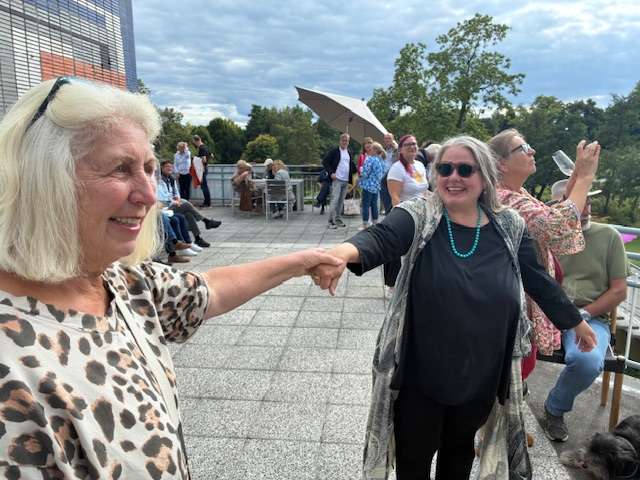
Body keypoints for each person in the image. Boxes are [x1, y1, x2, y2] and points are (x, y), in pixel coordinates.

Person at [0, 77, 343, 479]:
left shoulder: (122, 282)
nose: (150, 195)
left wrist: (301, 261)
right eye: (120, 169)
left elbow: (208, 291)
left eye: (148, 168)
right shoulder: (11, 360)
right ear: (43, 178)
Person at [310, 135, 597, 480]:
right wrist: (343, 253)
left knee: (459, 456)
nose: (453, 177)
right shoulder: (421, 214)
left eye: (465, 169)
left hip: (481, 377)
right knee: (413, 462)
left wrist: (574, 322)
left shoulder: (509, 225)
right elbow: (382, 237)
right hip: (421, 378)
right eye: (445, 169)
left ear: (485, 177)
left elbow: (538, 279)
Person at [489, 130, 600, 368]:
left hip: (520, 308)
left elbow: (552, 215)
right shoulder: (503, 199)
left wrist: (576, 176)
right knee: (512, 372)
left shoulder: (518, 194)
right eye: (523, 148)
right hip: (510, 312)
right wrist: (584, 179)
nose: (532, 150)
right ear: (501, 164)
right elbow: (555, 226)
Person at [542, 180, 629, 442]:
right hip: (545, 313)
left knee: (587, 361)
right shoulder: (545, 236)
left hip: (588, 316)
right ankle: (507, 402)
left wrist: (584, 314)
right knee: (500, 342)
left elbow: (619, 291)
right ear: (558, 207)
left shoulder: (609, 237)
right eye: (580, 200)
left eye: (588, 200)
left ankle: (555, 407)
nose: (587, 207)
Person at [384, 134, 430, 288]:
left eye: (414, 144)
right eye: (408, 144)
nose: (412, 146)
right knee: (398, 250)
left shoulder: (420, 165)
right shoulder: (396, 169)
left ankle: (415, 281)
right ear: (401, 150)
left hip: (423, 212)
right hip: (405, 213)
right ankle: (393, 284)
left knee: (418, 250)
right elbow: (395, 197)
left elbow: (424, 190)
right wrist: (400, 219)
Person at [158, 160, 221, 248]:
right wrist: (174, 201)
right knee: (186, 204)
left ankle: (197, 238)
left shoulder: (171, 179)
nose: (169, 168)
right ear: (162, 168)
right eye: (167, 166)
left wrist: (178, 199)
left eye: (171, 167)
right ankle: (206, 221)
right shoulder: (159, 180)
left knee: (188, 214)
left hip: (173, 204)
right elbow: (162, 197)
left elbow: (176, 192)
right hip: (165, 206)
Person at [322, 132, 356, 229]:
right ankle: (330, 222)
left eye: (347, 141)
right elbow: (325, 162)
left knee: (341, 202)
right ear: (340, 141)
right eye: (343, 140)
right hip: (337, 180)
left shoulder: (349, 152)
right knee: (335, 201)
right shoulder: (334, 151)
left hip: (346, 180)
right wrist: (331, 173)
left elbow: (351, 165)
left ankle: (337, 219)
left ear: (348, 142)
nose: (345, 142)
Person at [358, 141, 386, 230]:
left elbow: (365, 173)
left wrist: (361, 171)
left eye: (371, 149)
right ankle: (375, 223)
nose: (369, 150)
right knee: (374, 205)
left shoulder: (370, 159)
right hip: (376, 186)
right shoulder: (381, 160)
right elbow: (383, 172)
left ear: (375, 150)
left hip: (368, 186)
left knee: (365, 205)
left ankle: (365, 224)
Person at [380, 132, 398, 214]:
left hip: (393, 176)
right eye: (386, 138)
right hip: (383, 176)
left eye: (389, 138)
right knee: (385, 197)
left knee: (393, 196)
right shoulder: (382, 150)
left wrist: (396, 148)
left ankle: (393, 213)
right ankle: (387, 212)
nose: (387, 140)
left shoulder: (397, 150)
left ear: (393, 139)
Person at [192, 134, 211, 207]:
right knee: (204, 186)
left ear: (196, 141)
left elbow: (204, 159)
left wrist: (196, 159)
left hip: (202, 169)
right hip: (205, 168)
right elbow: (211, 155)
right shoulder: (205, 147)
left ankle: (207, 203)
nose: (194, 144)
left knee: (204, 186)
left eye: (194, 142)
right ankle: (207, 202)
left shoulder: (201, 148)